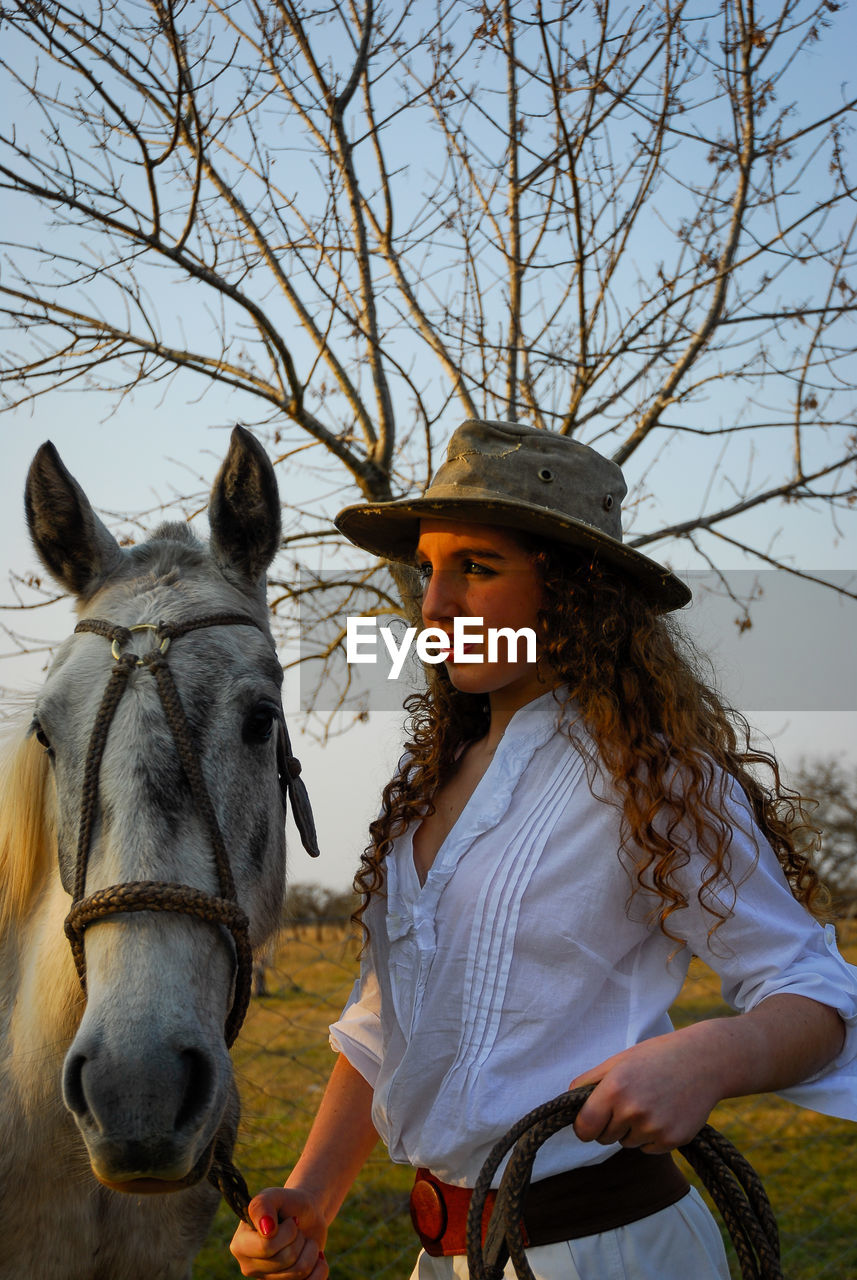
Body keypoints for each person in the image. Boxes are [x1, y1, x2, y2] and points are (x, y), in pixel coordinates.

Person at [230, 419, 857, 1280]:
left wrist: (709, 1057)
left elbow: (817, 994)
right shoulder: (424, 794)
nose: (435, 605)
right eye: (428, 570)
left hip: (614, 1253)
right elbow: (384, 1026)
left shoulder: (654, 778)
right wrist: (311, 1195)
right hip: (446, 1260)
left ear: (572, 591)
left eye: (476, 568)